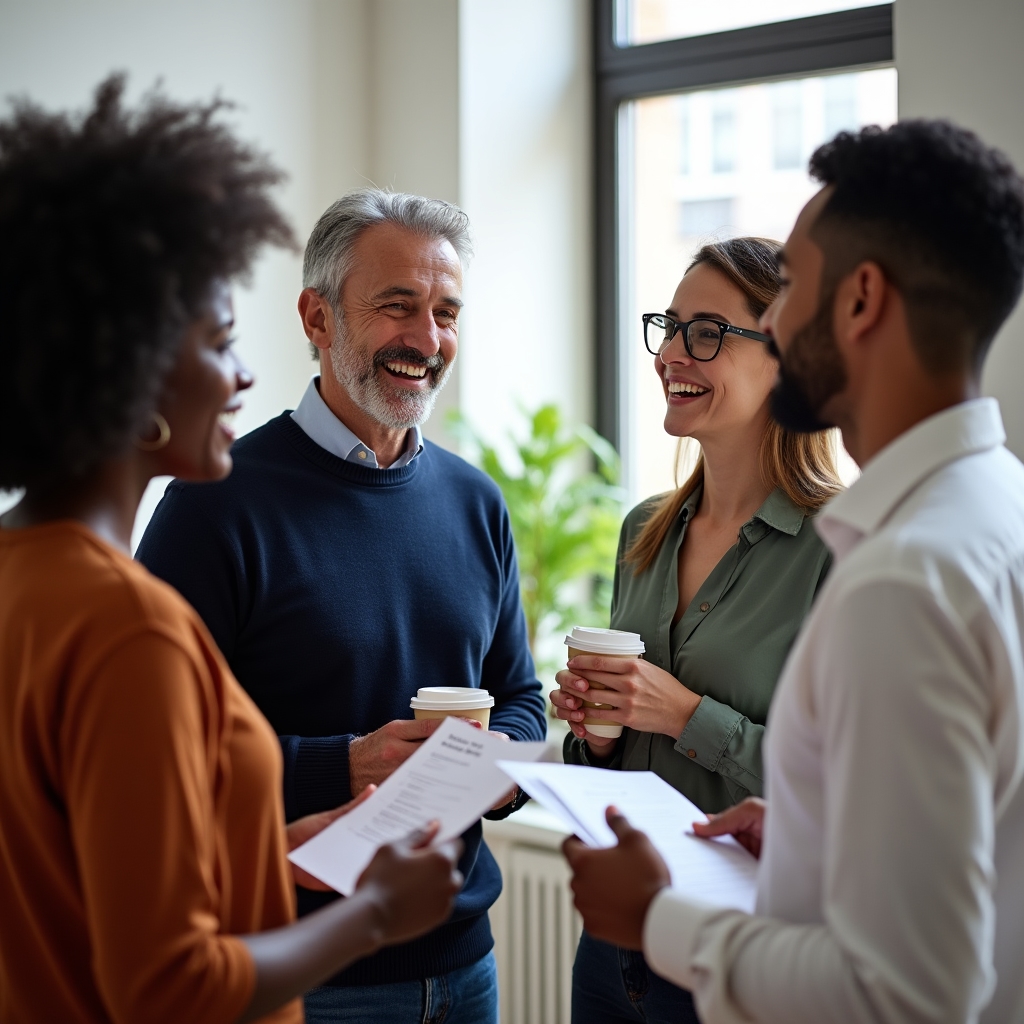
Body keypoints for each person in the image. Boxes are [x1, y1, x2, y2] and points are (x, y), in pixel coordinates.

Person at [0, 79, 465, 1024]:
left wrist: (283, 841)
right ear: (130, 368)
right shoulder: (128, 625)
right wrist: (373, 913)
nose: (246, 373)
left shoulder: (23, 578)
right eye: (219, 341)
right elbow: (169, 987)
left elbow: (78, 869)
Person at [563, 120, 1024, 1024]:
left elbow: (909, 990)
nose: (777, 318)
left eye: (792, 290)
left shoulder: (898, 576)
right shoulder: (993, 505)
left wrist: (660, 921)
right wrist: (807, 835)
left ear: (859, 301)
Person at [136, 188, 547, 1023]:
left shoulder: (477, 502)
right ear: (317, 318)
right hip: (303, 973)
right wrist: (347, 765)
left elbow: (523, 702)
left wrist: (497, 772)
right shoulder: (215, 503)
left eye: (445, 312)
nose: (426, 340)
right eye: (397, 307)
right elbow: (161, 754)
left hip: (467, 965)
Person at [549, 237, 841, 1024]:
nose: (671, 354)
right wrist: (599, 732)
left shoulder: (843, 546)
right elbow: (610, 763)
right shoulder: (644, 530)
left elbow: (851, 795)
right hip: (613, 948)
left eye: (706, 332)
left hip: (745, 952)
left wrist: (681, 714)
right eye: (668, 325)